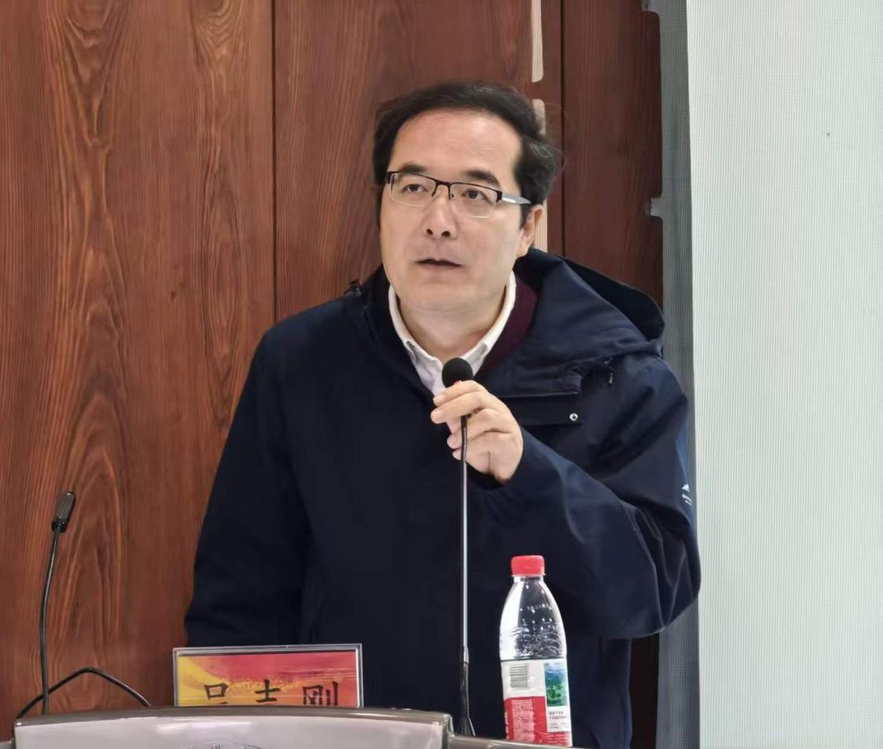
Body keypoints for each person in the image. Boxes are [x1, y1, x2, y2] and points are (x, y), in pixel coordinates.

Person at [185, 81, 700, 747]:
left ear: (529, 226)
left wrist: (529, 471)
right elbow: (238, 603)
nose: (438, 220)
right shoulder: (302, 364)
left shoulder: (615, 373)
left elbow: (653, 589)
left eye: (476, 195)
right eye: (412, 186)